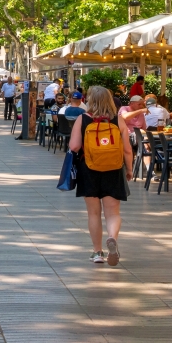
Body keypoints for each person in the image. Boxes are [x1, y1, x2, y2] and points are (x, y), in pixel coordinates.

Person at [69, 85, 132, 266]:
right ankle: (112, 238)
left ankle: (97, 252)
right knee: (112, 213)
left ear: (90, 100)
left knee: (94, 213)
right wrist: (129, 170)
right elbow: (127, 150)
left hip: (89, 169)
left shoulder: (83, 119)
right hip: (114, 169)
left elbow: (74, 146)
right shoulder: (118, 121)